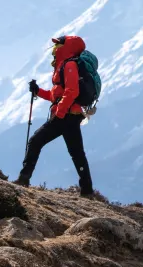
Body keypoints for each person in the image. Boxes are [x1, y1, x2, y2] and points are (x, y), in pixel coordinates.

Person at [13, 35, 93, 195]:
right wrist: (38, 91)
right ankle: (87, 191)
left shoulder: (69, 65)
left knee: (36, 141)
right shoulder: (65, 65)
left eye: (59, 45)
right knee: (77, 153)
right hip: (71, 115)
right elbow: (55, 95)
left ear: (68, 47)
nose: (55, 48)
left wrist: (60, 112)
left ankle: (23, 179)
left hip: (66, 115)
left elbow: (72, 91)